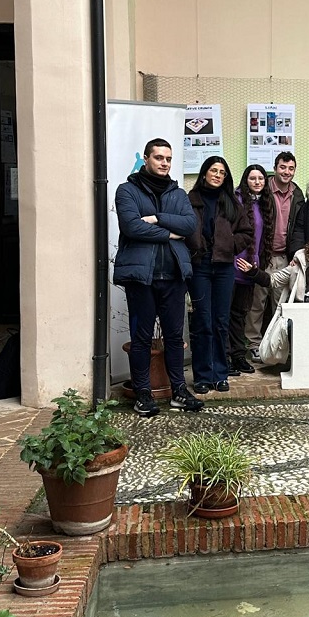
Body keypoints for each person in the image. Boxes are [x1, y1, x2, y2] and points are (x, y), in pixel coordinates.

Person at [113, 138, 202, 417]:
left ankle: (178, 391)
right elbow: (131, 227)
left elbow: (189, 225)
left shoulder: (178, 194)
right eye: (159, 158)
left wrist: (155, 218)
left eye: (168, 159)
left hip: (174, 276)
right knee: (141, 337)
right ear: (147, 160)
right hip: (142, 277)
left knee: (174, 337)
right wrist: (169, 233)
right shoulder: (127, 190)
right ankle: (143, 394)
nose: (164, 163)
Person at [236, 235, 309, 368]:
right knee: (299, 336)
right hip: (296, 319)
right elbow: (273, 281)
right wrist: (253, 272)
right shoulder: (298, 268)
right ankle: (301, 363)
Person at [187, 156, 253, 394]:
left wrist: (229, 244)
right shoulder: (190, 200)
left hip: (225, 268)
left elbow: (247, 232)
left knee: (220, 321)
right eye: (213, 170)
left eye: (222, 172)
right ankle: (203, 375)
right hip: (199, 267)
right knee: (203, 321)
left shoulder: (232, 202)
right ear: (204, 172)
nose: (217, 175)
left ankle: (220, 374)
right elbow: (183, 229)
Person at [245, 151, 304, 362]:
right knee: (257, 302)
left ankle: (279, 345)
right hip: (263, 256)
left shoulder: (297, 194)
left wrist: (296, 254)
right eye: (282, 167)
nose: (286, 172)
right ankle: (253, 343)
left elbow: (298, 226)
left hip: (285, 258)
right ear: (275, 167)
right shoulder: (263, 188)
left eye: (290, 168)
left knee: (281, 304)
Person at [228, 164, 275, 374]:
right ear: (245, 181)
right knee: (227, 314)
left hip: (251, 266)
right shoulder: (236, 200)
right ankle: (226, 356)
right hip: (234, 264)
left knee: (241, 313)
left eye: (261, 179)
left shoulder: (264, 203)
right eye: (252, 178)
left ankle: (238, 356)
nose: (257, 182)